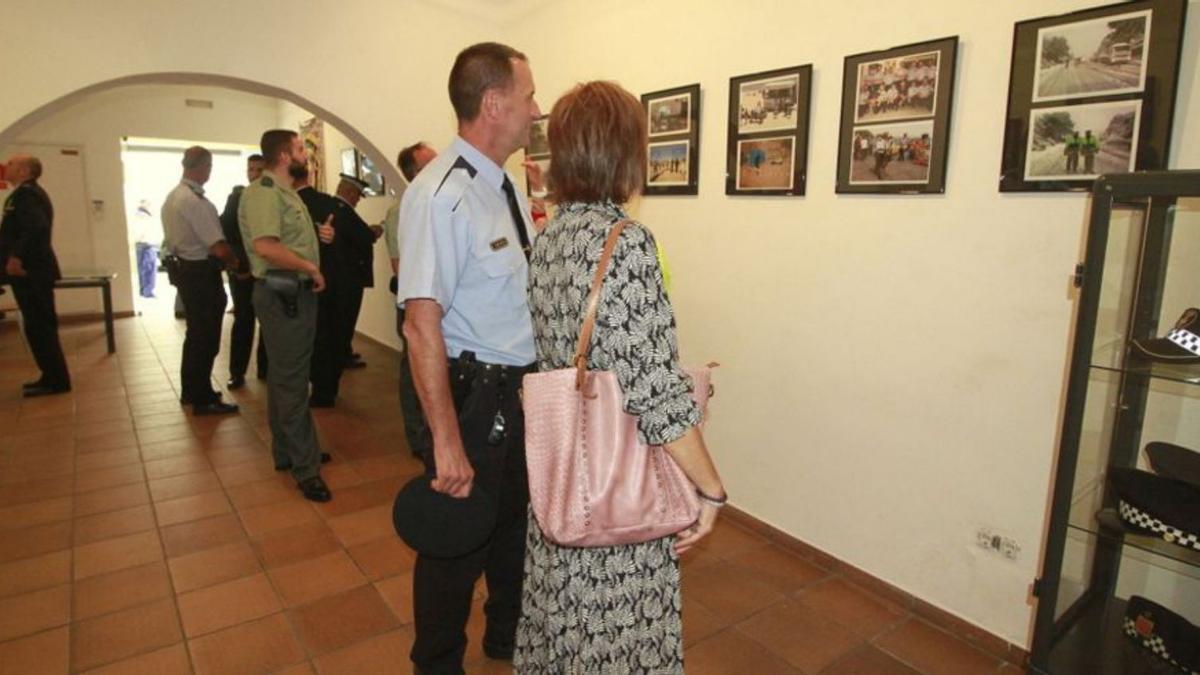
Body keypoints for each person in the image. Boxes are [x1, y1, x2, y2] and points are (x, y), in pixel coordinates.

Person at [514, 79, 726, 675]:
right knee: (617, 644)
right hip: (618, 488)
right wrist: (710, 488)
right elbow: (654, 391)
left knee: (565, 631)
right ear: (626, 154)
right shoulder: (625, 242)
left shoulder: (550, 237)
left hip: (565, 471)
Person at [395, 41, 540, 674]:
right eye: (529, 95)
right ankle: (437, 663)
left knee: (513, 529)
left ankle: (503, 638)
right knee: (455, 546)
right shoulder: (440, 195)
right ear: (494, 102)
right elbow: (420, 327)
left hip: (518, 393)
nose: (537, 109)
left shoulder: (499, 182)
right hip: (472, 395)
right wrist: (446, 442)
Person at [238, 129, 333, 503]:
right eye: (298, 149)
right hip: (285, 293)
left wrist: (318, 236)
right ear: (282, 155)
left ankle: (289, 450)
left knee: (284, 376)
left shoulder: (284, 191)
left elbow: (285, 237)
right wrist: (310, 266)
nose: (304, 154)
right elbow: (265, 246)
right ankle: (306, 468)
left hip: (290, 293)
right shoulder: (262, 192)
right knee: (293, 381)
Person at [161, 146, 239, 415]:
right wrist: (237, 264)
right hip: (201, 274)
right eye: (209, 166)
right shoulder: (194, 201)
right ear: (203, 166)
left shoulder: (173, 197)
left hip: (186, 272)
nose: (210, 171)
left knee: (195, 336)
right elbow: (218, 247)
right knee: (206, 338)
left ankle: (191, 391)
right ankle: (203, 398)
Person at [0, 154, 71, 397]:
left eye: (11, 164)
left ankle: (56, 380)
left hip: (32, 271)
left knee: (40, 326)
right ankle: (50, 375)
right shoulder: (23, 194)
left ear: (24, 171)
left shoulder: (27, 195)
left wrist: (16, 257)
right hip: (31, 271)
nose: (6, 167)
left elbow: (36, 228)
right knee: (37, 326)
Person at [387, 143, 438, 456]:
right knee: (414, 370)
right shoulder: (401, 210)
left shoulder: (442, 203)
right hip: (417, 304)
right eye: (431, 162)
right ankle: (419, 438)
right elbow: (401, 267)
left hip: (442, 303)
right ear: (415, 173)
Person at [310, 173, 376, 407]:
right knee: (336, 338)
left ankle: (322, 388)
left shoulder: (326, 207)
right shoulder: (344, 212)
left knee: (325, 336)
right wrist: (376, 230)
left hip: (329, 284)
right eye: (358, 195)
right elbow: (365, 236)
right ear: (349, 192)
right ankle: (324, 392)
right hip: (344, 288)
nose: (358, 200)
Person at [220, 154, 269, 388]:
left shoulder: (272, 198)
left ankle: (265, 369)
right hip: (243, 272)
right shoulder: (237, 198)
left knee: (268, 322)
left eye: (259, 170)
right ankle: (237, 372)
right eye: (251, 170)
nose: (255, 174)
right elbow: (228, 233)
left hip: (267, 271)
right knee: (244, 321)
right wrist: (242, 265)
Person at [131, 200, 160, 298]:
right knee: (149, 268)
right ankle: (147, 291)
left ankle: (143, 290)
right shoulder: (145, 217)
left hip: (140, 244)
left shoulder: (137, 216)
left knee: (142, 269)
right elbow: (145, 232)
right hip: (147, 244)